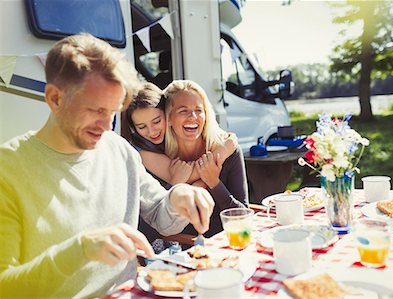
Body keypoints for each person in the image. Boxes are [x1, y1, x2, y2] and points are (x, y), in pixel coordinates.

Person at [0, 33, 214, 298]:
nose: (107, 124)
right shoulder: (7, 171)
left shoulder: (119, 150)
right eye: (95, 110)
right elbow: (5, 287)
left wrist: (178, 196)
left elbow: (163, 217)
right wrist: (80, 250)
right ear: (55, 98)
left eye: (113, 111)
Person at [125, 83, 238, 249]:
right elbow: (151, 225)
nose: (152, 131)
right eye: (142, 127)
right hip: (166, 245)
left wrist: (211, 180)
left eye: (156, 121)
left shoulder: (223, 147)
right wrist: (220, 155)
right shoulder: (145, 154)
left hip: (216, 243)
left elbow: (242, 213)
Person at [163, 80, 249, 237]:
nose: (193, 117)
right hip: (178, 250)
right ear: (168, 119)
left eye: (198, 110)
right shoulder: (162, 159)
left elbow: (242, 215)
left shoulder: (228, 151)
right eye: (183, 111)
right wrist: (174, 185)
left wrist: (214, 184)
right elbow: (157, 220)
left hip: (224, 247)